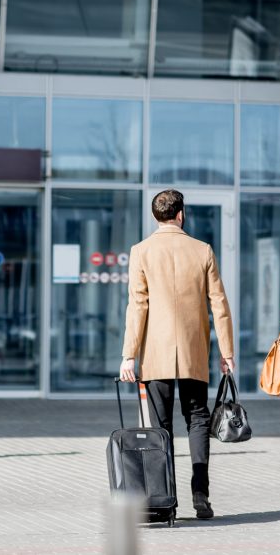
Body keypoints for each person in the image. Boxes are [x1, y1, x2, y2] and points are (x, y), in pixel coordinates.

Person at [119, 189, 235, 520]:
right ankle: (201, 495)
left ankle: (165, 498)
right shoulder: (202, 250)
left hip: (154, 353)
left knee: (161, 427)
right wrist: (227, 351)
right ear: (181, 214)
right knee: (198, 419)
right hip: (192, 350)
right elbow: (219, 304)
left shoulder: (141, 251)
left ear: (155, 216)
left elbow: (137, 305)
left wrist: (129, 355)